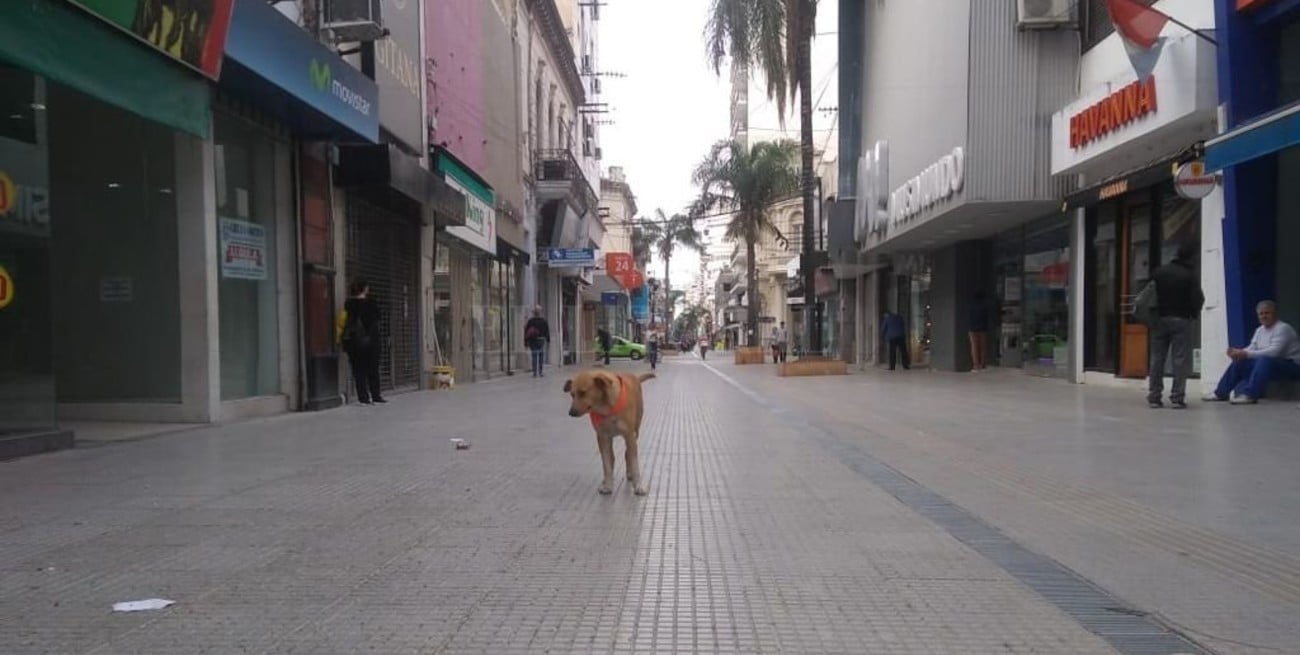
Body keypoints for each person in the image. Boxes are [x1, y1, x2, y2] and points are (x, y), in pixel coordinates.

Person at [1204, 300, 1300, 404]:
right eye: (1261, 314)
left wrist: (1246, 354)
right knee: (1239, 362)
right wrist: (1239, 353)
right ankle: (1220, 393)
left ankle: (1250, 395)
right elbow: (1252, 347)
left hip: (1292, 366)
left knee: (1264, 361)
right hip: (1272, 366)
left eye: (1267, 313)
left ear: (1275, 314)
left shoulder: (1283, 328)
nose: (1264, 316)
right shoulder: (1260, 330)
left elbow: (1274, 352)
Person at [1146, 242, 1205, 408]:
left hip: (1159, 319)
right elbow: (1198, 298)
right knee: (1179, 359)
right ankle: (1177, 397)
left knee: (1157, 359)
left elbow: (1148, 294)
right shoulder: (1189, 275)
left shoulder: (1159, 272)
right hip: (1181, 319)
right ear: (1191, 257)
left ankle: (1154, 396)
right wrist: (1193, 314)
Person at [342, 277, 385, 405]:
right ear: (365, 288)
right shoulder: (371, 303)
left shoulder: (349, 304)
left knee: (358, 370)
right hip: (371, 341)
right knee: (373, 369)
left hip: (355, 342)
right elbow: (378, 316)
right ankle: (376, 395)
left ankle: (363, 397)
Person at [524, 306, 550, 378]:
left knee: (534, 355)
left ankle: (535, 372)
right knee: (541, 355)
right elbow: (547, 331)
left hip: (533, 340)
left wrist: (525, 342)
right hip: (541, 340)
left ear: (534, 313)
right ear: (540, 313)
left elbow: (526, 332)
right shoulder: (544, 321)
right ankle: (540, 372)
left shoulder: (530, 321)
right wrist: (548, 340)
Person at [968, 291, 991, 371]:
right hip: (982, 328)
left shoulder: (971, 306)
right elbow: (986, 318)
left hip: (972, 328)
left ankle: (975, 365)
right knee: (982, 347)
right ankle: (982, 363)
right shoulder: (984, 306)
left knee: (974, 346)